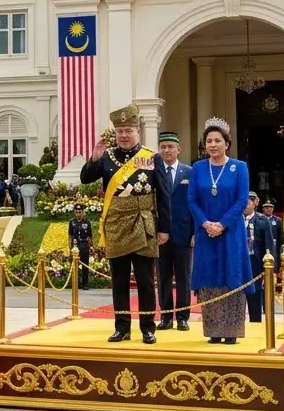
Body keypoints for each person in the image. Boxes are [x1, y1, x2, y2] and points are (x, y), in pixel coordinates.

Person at [81, 104, 169, 344]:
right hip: (116, 224)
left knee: (145, 282)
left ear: (137, 132)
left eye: (128, 130)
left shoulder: (151, 158)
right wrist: (94, 158)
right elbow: (85, 178)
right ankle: (122, 328)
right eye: (120, 131)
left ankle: (148, 328)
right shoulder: (107, 157)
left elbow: (163, 194)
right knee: (119, 281)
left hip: (144, 223)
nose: (124, 135)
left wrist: (164, 228)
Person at [188, 117, 251, 345]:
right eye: (209, 141)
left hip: (231, 233)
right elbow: (192, 200)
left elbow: (242, 199)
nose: (213, 145)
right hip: (206, 234)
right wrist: (206, 224)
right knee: (209, 276)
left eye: (217, 140)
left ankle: (232, 330)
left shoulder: (239, 167)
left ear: (227, 143)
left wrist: (222, 224)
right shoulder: (197, 168)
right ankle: (213, 330)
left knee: (231, 274)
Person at [153, 131, 192, 331]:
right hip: (161, 235)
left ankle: (183, 317)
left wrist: (194, 232)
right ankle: (166, 316)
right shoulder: (153, 172)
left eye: (170, 147)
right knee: (163, 277)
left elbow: (195, 204)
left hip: (184, 234)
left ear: (179, 149)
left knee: (184, 277)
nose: (167, 150)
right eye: (163, 147)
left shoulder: (189, 172)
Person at [69, 204, 93, 289]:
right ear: (74, 212)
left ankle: (85, 284)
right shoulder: (72, 222)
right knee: (75, 265)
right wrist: (70, 247)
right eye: (76, 212)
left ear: (82, 212)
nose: (78, 214)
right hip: (76, 246)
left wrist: (91, 247)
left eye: (79, 212)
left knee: (85, 265)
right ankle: (75, 283)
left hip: (84, 245)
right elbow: (70, 236)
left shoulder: (87, 222)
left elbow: (90, 236)